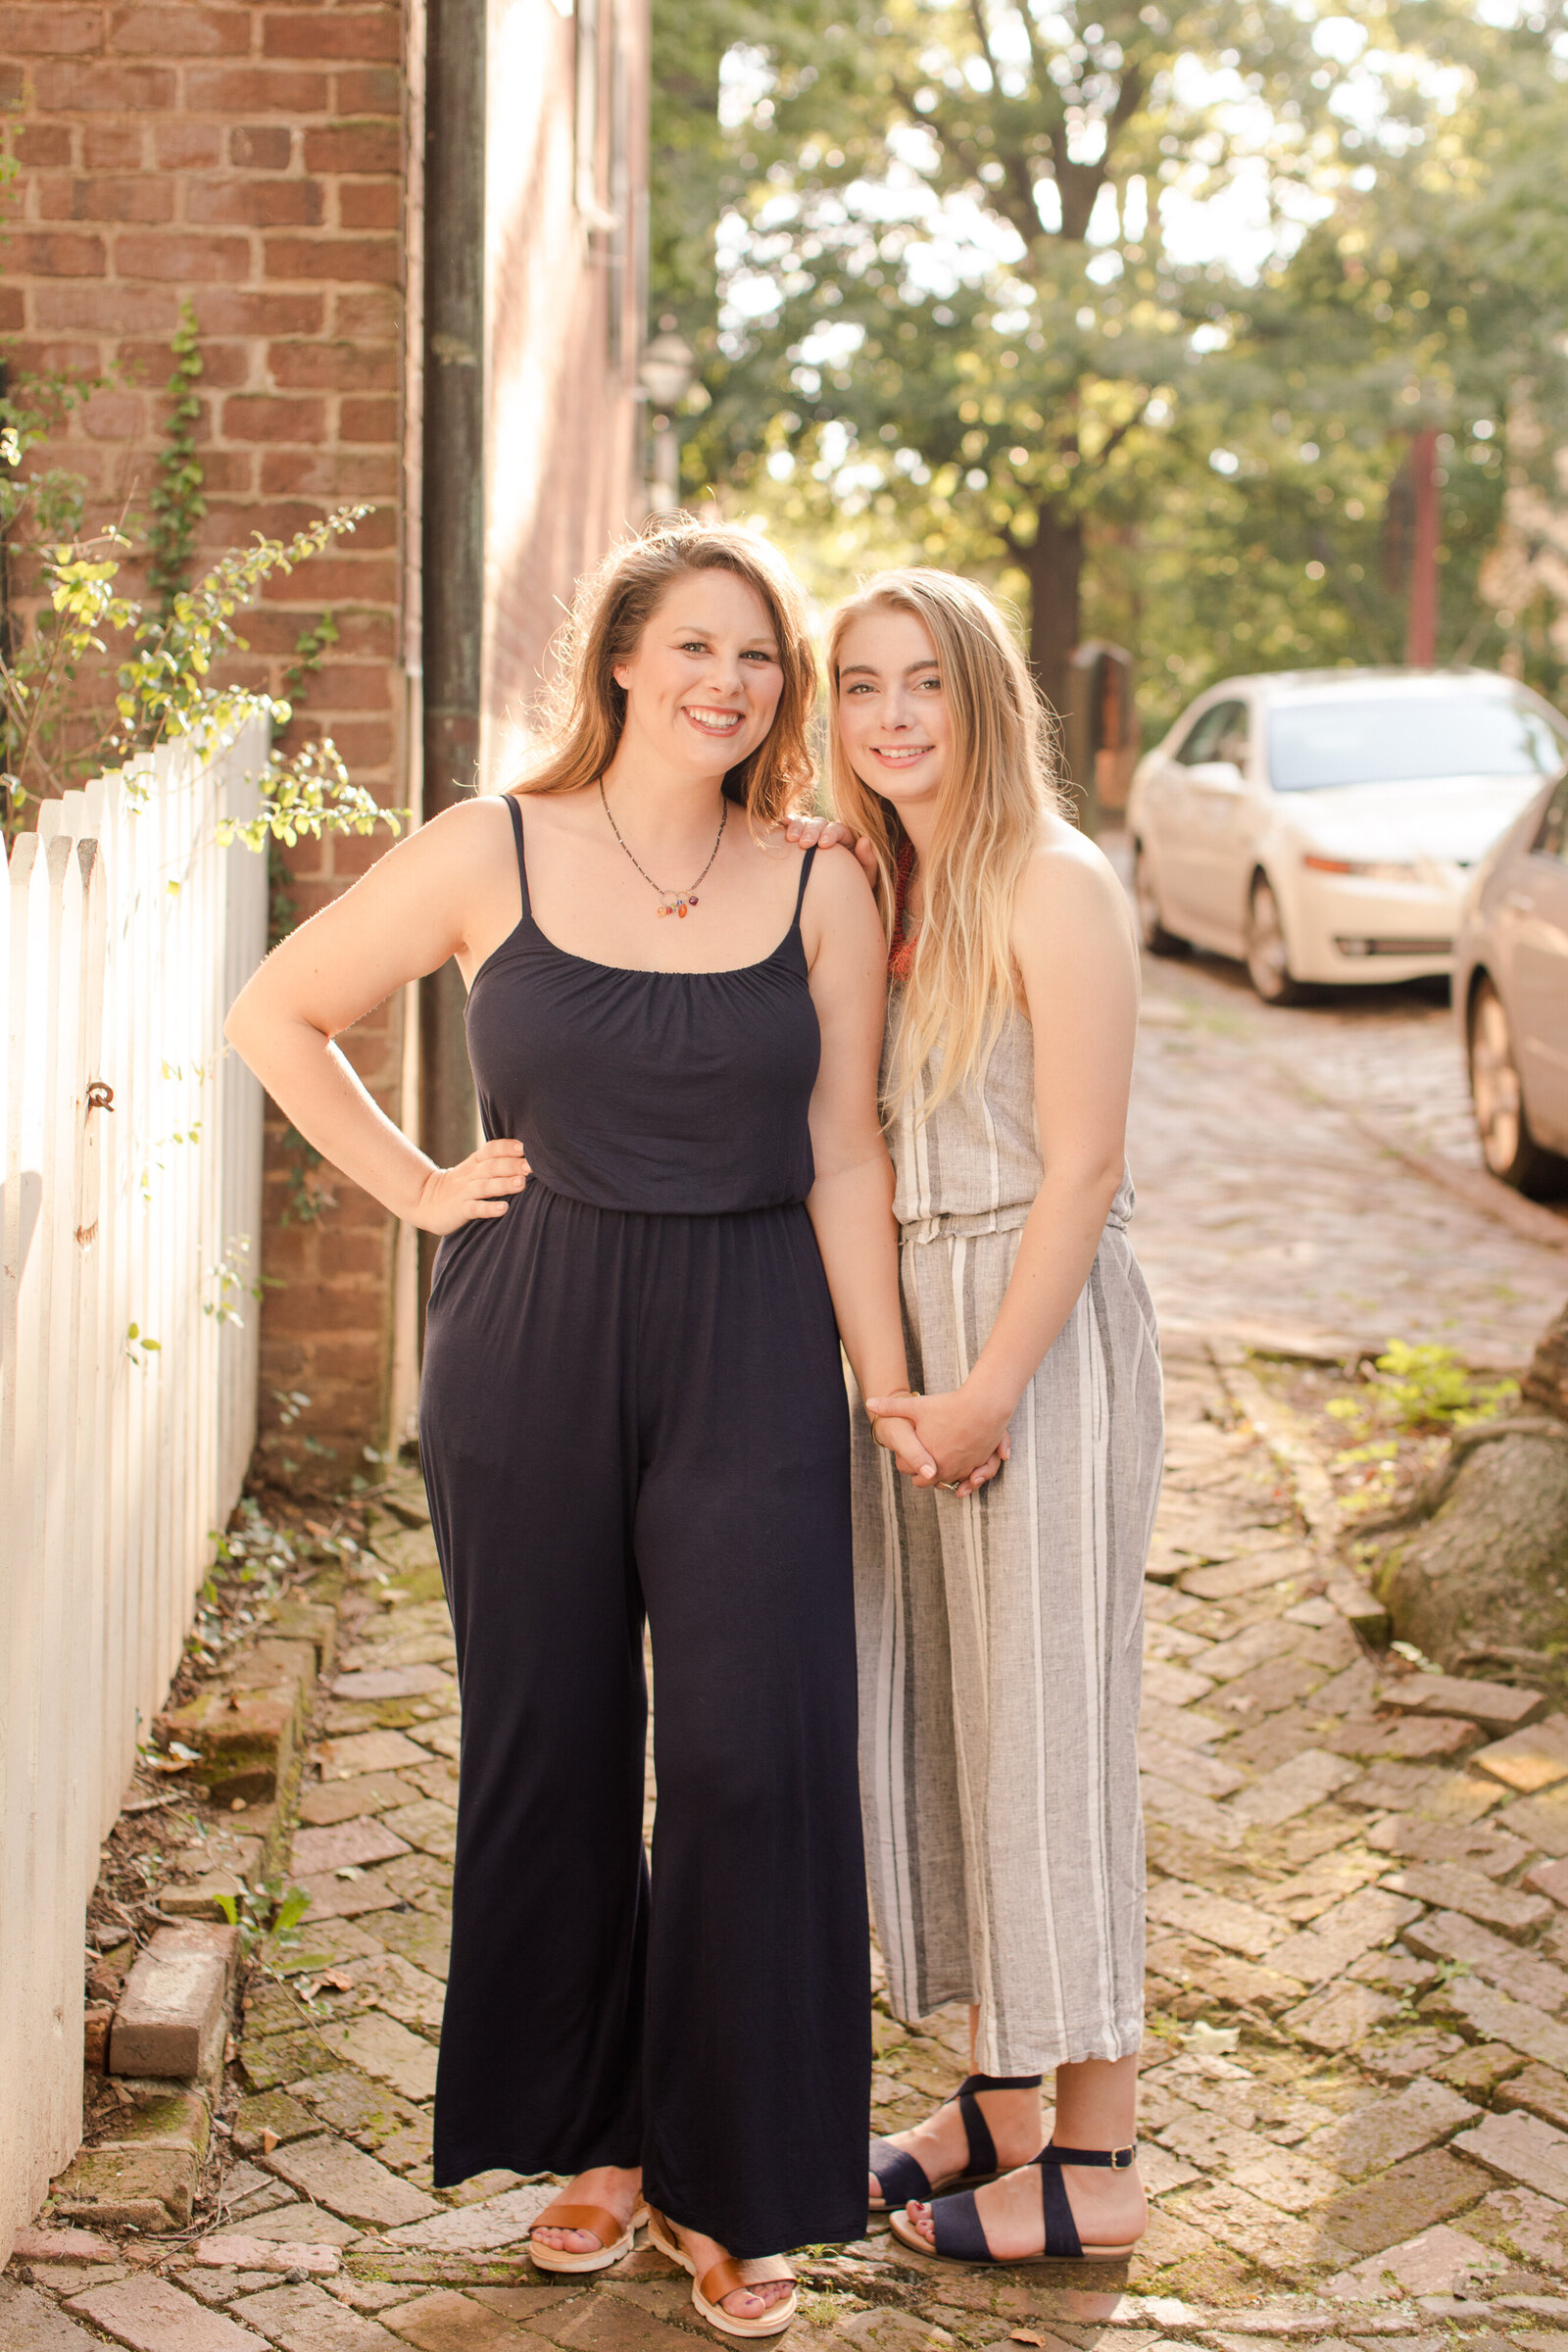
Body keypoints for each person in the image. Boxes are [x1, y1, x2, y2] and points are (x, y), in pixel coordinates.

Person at [225, 523, 1000, 2337]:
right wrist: (420, 1188)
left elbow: (842, 1152)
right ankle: (602, 2144)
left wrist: (884, 1379)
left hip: (750, 1342)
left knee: (752, 1763)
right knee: (553, 1748)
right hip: (531, 1335)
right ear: (624, 661)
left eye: (760, 660)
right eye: (697, 649)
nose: (730, 683)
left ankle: (741, 2182)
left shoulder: (816, 883)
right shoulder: (489, 846)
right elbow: (282, 1011)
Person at [794, 568, 1162, 2265]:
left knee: (1049, 1733)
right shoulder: (891, 883)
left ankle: (1098, 2157)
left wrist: (993, 1385)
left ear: (984, 694)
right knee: (958, 1726)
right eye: (860, 685)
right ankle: (1000, 2097)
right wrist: (899, 1385)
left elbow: (1082, 1160)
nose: (891, 716)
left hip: (1039, 1335)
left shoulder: (1054, 882)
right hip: (925, 1348)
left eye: (923, 682)